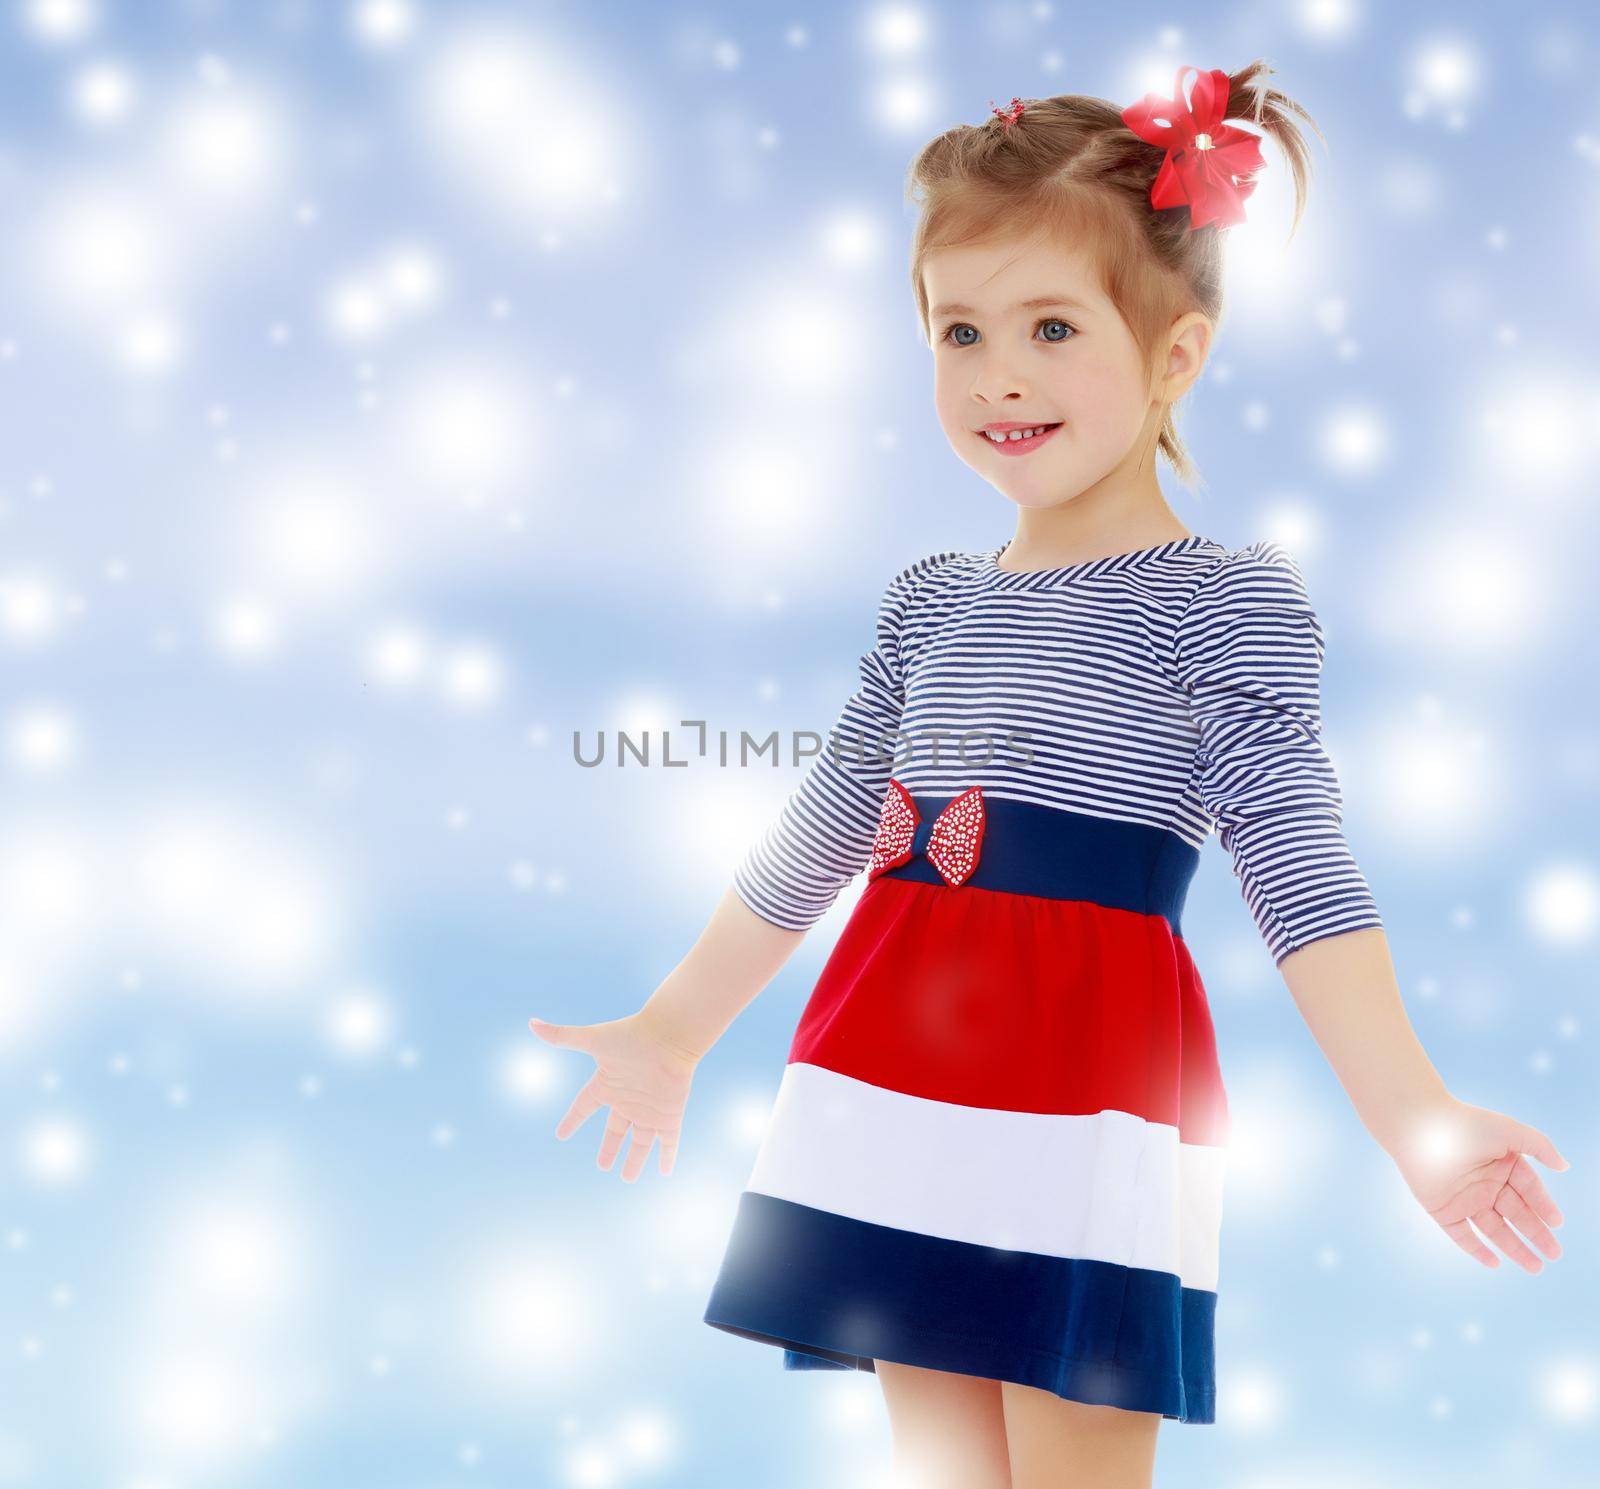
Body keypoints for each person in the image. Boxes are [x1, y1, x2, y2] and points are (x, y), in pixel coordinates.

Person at [528, 60, 1570, 1489]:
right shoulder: (930, 600)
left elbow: (1299, 867)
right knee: (941, 1463)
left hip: (1082, 1081)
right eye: (960, 329)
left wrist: (1418, 1117)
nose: (998, 373)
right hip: (888, 1062)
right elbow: (828, 823)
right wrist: (672, 1028)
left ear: (1174, 357)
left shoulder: (1223, 599)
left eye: (1052, 327)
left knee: (1073, 1457)